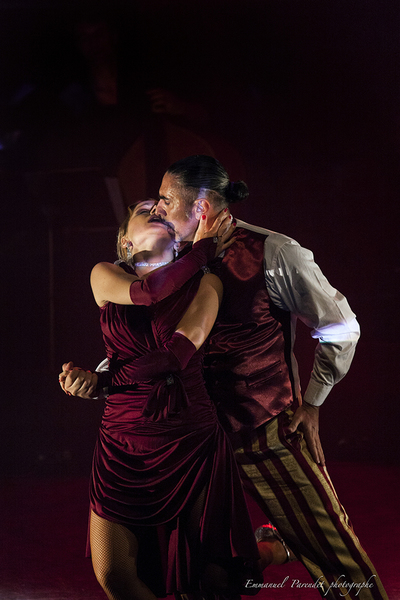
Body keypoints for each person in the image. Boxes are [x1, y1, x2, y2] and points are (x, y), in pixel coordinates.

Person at [64, 155, 387, 600]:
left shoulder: (273, 251)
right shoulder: (165, 258)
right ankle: (269, 550)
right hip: (186, 440)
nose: (158, 208)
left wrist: (314, 401)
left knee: (330, 548)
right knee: (201, 575)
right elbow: (143, 341)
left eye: (165, 199)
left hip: (259, 428)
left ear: (199, 207)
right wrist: (99, 379)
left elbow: (341, 326)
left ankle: (287, 551)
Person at [60, 198, 293, 600]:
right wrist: (203, 250)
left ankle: (268, 550)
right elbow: (147, 293)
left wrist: (99, 382)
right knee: (114, 575)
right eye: (142, 209)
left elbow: (175, 356)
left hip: (190, 438)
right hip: (121, 445)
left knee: (212, 580)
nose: (155, 208)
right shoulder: (104, 274)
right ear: (126, 241)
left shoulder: (208, 283)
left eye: (160, 207)